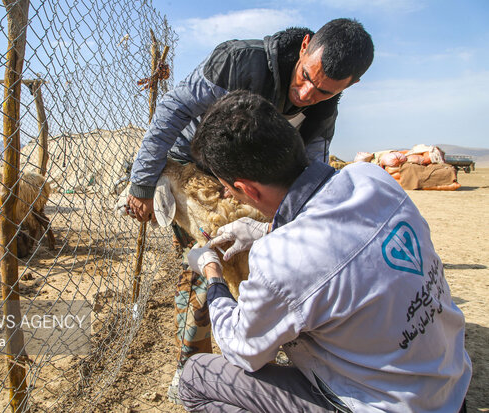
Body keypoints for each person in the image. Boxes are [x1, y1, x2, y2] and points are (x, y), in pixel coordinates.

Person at [126, 18, 374, 403]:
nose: (308, 93)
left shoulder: (325, 107)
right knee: (206, 267)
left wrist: (286, 225)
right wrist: (144, 181)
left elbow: (311, 166)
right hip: (193, 171)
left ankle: (249, 354)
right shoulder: (240, 62)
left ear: (349, 85)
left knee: (259, 268)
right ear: (304, 46)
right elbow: (172, 109)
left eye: (324, 90)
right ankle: (192, 366)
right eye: (306, 76)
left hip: (252, 186)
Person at [178, 90, 472, 412]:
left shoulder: (279, 260)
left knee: (195, 377)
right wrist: (265, 229)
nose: (227, 194)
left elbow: (242, 349)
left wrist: (212, 271)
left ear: (246, 189)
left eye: (227, 187)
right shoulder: (371, 178)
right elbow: (339, 239)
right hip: (450, 386)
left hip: (387, 405)